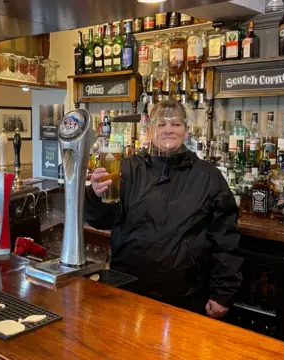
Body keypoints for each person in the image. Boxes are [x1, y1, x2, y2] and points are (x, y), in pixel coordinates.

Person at [85, 100, 242, 318]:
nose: (168, 130)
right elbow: (101, 220)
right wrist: (95, 195)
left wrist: (223, 293)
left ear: (186, 131)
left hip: (186, 296)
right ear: (149, 131)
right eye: (161, 125)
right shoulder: (128, 168)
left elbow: (226, 239)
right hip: (129, 290)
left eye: (176, 124)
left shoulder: (208, 176)